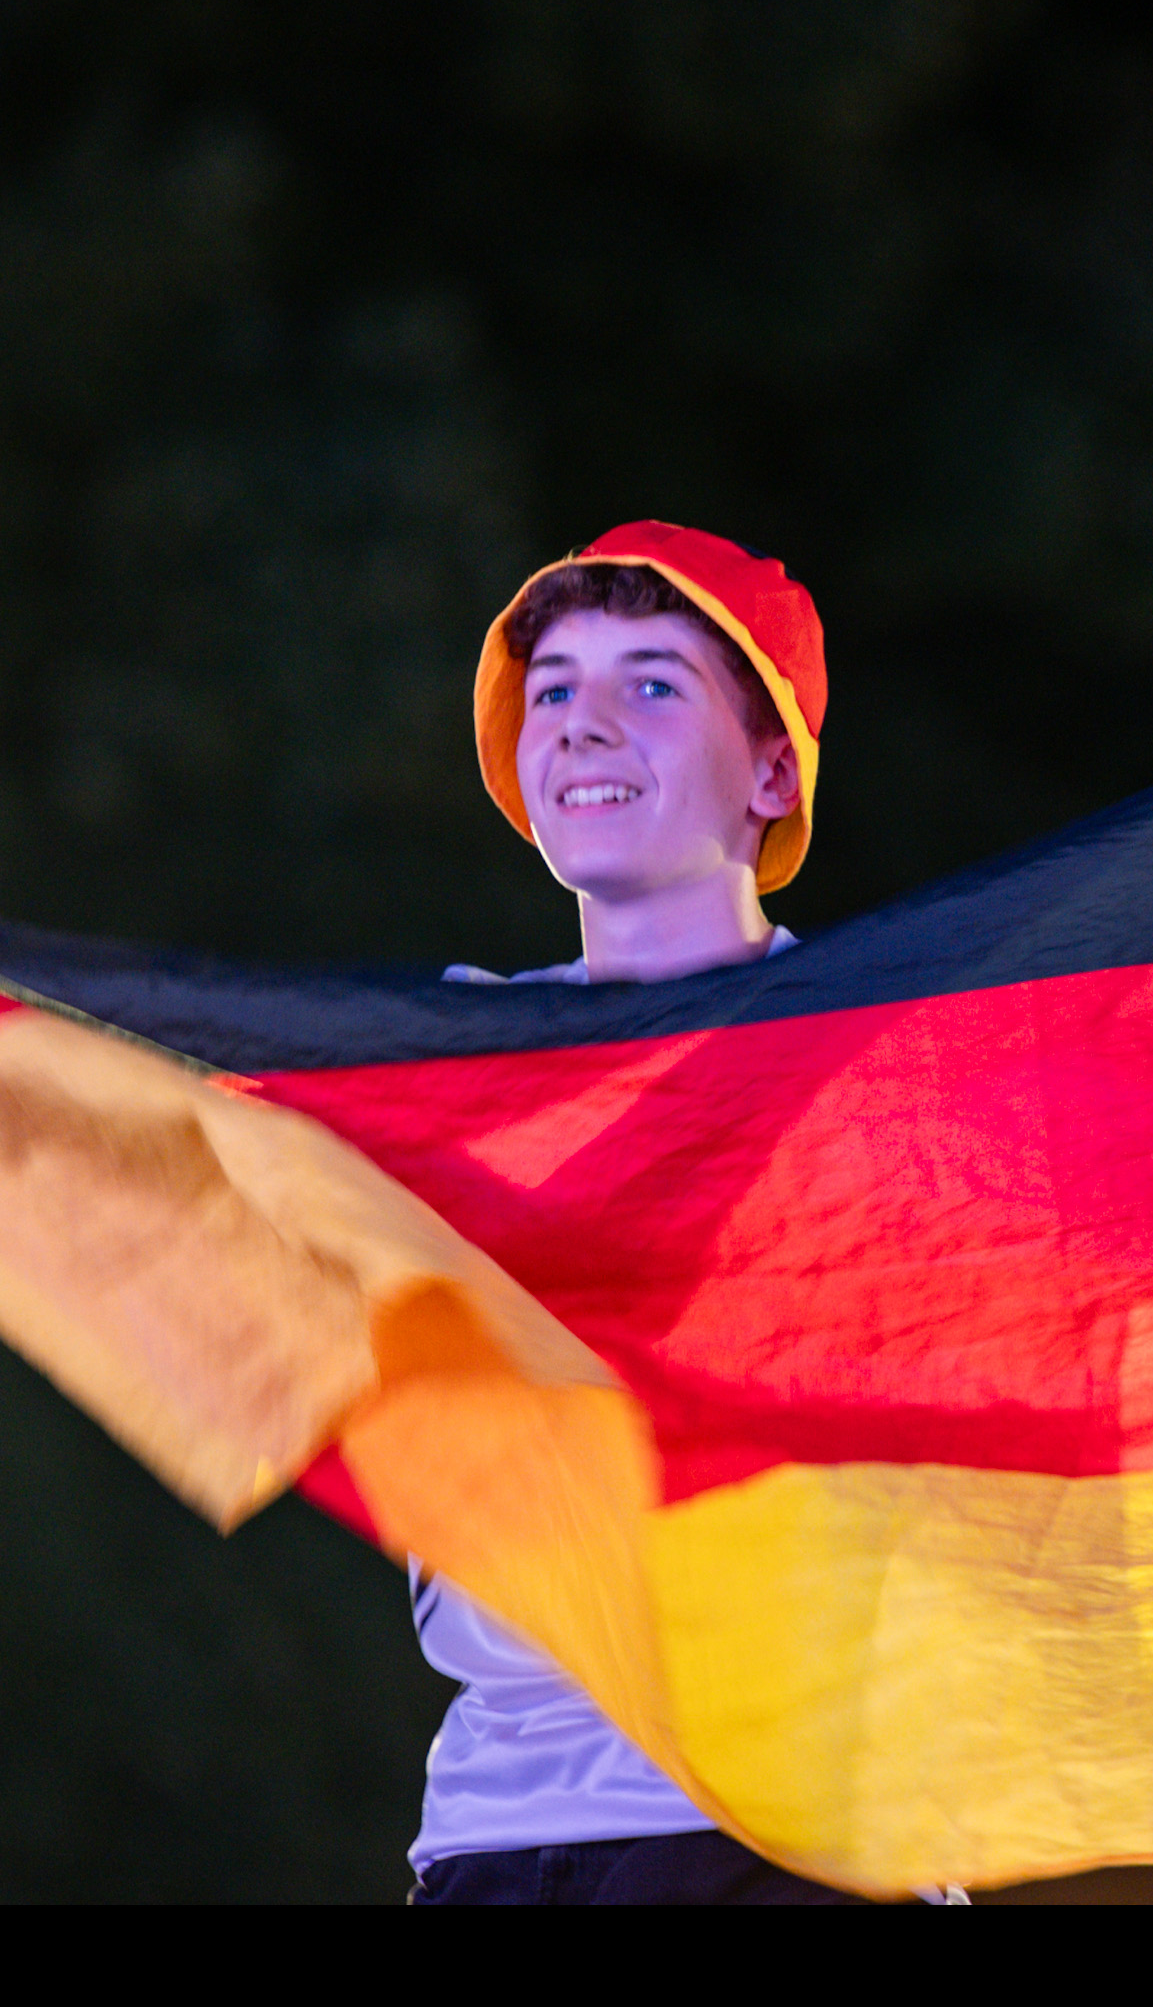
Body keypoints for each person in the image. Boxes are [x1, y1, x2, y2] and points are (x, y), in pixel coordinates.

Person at [407, 523, 945, 1907]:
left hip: (802, 1827)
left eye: (653, 684)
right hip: (499, 1826)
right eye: (552, 690)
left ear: (773, 770)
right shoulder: (438, 1064)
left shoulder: (892, 1065)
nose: (584, 721)